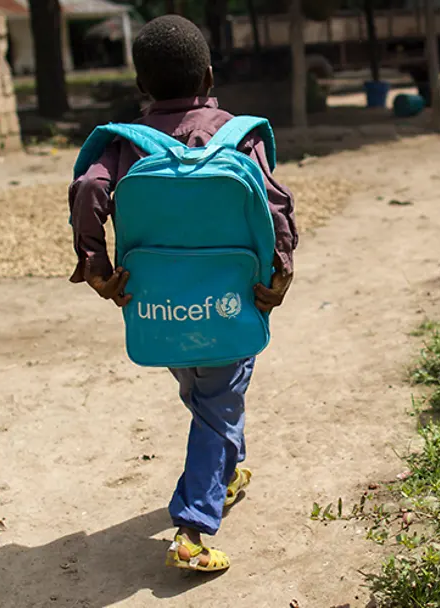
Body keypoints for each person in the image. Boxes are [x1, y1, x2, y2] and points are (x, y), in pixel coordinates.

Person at [67, 14, 298, 573]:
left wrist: (96, 266)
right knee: (218, 403)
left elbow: (90, 188)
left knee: (206, 392)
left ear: (142, 85)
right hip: (228, 301)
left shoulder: (123, 145)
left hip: (156, 308)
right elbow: (273, 206)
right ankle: (193, 528)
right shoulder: (238, 135)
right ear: (210, 75)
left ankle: (226, 470)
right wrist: (281, 269)